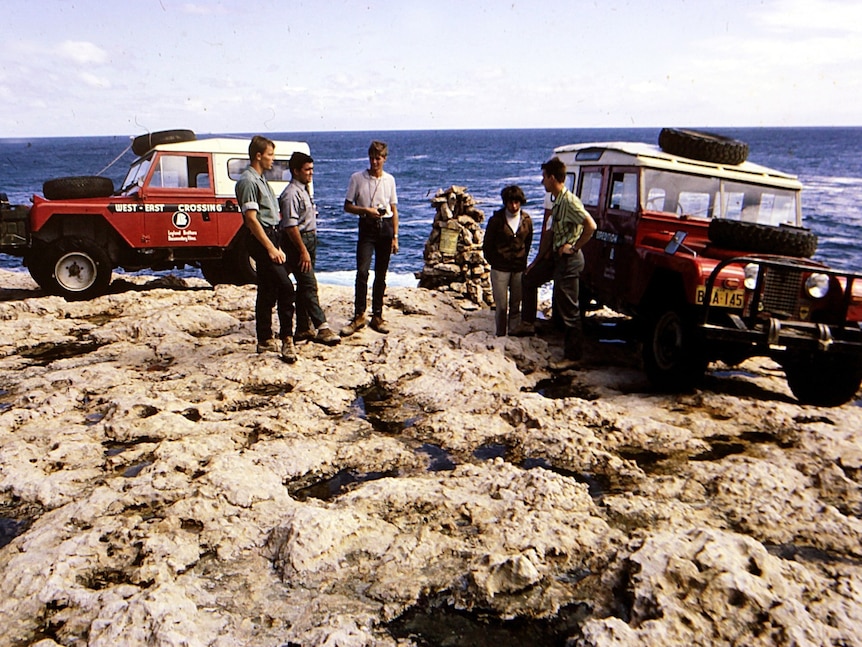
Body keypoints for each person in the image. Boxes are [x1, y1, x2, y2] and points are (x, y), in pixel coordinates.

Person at [514, 157, 596, 366]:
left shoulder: (569, 201)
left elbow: (591, 226)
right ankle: (527, 323)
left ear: (552, 178)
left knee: (569, 310)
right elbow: (551, 234)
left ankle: (572, 357)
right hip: (555, 257)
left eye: (544, 178)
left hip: (569, 260)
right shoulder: (557, 200)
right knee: (529, 278)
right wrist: (536, 261)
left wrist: (575, 247)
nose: (542, 182)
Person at [234, 135, 297, 363]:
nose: (273, 159)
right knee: (287, 288)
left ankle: (264, 338)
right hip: (261, 239)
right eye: (270, 155)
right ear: (258, 156)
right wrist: (271, 248)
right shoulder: (249, 182)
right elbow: (251, 220)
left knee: (268, 288)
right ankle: (287, 341)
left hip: (271, 235)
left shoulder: (261, 180)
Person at [278, 151, 341, 347]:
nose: (311, 173)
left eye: (312, 169)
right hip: (299, 242)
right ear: (295, 171)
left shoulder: (304, 190)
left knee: (305, 285)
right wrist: (303, 250)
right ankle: (322, 326)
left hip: (309, 239)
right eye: (307, 170)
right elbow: (290, 226)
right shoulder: (291, 194)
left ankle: (303, 327)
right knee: (309, 284)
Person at [340, 140, 399, 336]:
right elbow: (347, 206)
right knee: (363, 272)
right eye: (372, 158)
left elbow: (394, 209)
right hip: (366, 227)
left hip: (386, 228)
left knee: (381, 274)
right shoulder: (357, 178)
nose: (375, 162)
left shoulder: (389, 180)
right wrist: (365, 210)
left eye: (378, 159)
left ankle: (378, 315)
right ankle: (359, 315)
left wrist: (395, 236)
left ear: (385, 159)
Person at [482, 185, 533, 336]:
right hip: (500, 269)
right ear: (505, 203)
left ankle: (513, 333)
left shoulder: (527, 220)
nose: (514, 206)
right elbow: (487, 245)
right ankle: (500, 334)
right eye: (510, 202)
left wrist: (523, 260)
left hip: (518, 268)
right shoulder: (496, 220)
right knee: (502, 306)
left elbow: (528, 243)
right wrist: (495, 261)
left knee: (516, 304)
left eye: (517, 202)